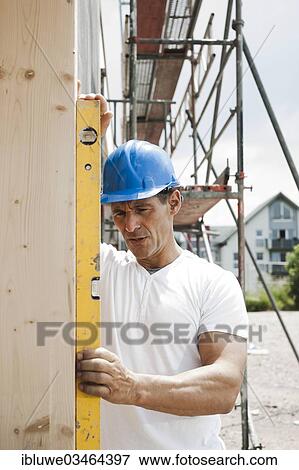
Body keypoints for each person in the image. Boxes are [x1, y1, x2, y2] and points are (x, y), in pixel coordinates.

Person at [76, 93, 248, 450]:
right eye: (120, 212)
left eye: (142, 209)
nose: (130, 225)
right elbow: (48, 213)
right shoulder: (102, 267)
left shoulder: (213, 284)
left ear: (173, 202)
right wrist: (80, 144)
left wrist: (132, 387)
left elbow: (224, 386)